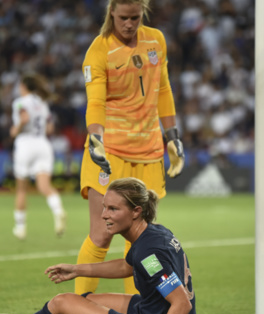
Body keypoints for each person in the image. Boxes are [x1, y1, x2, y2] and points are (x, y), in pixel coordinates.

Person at [0, 177, 196, 314]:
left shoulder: (148, 252)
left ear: (136, 211)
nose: (104, 215)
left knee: (62, 302)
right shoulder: (153, 233)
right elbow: (127, 266)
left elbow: (181, 302)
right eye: (105, 207)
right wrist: (78, 269)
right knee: (88, 300)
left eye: (113, 209)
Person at [77, 0, 185, 295]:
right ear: (111, 12)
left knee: (139, 238)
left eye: (135, 18)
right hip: (109, 152)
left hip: (149, 153)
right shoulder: (98, 51)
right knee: (101, 234)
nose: (129, 24)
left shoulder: (156, 40)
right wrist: (95, 139)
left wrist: (172, 136)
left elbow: (163, 89)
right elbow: (96, 101)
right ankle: (78, 311)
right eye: (123, 17)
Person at [10, 74, 66, 239]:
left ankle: (20, 228)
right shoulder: (43, 103)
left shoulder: (20, 102)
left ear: (24, 87)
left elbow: (23, 119)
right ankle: (58, 211)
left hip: (26, 144)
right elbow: (50, 128)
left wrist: (17, 128)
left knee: (21, 188)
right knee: (44, 186)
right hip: (43, 145)